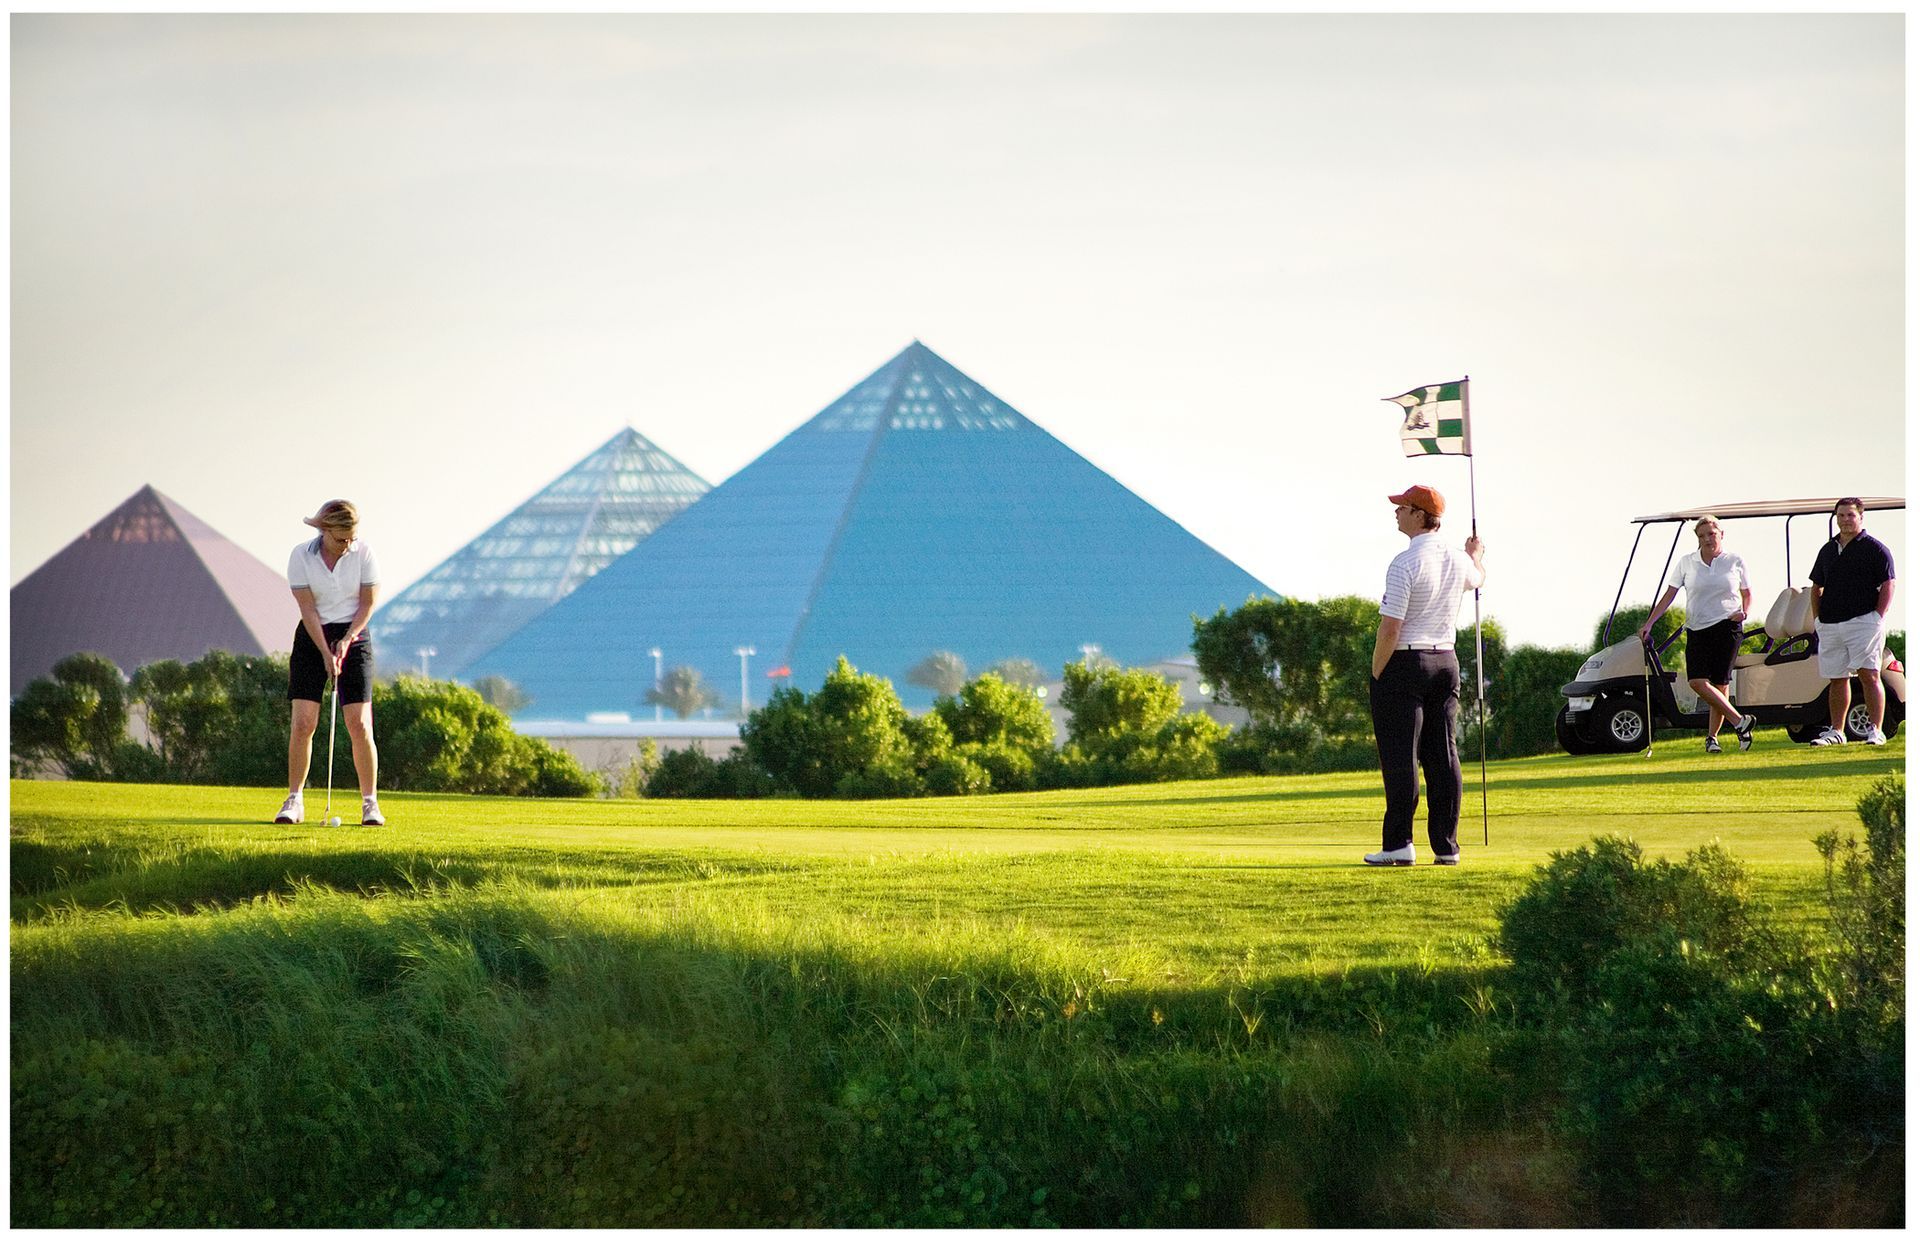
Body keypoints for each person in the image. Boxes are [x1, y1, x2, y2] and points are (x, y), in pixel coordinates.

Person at [1364, 485, 1486, 867]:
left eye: (1402, 507)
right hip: (1446, 662)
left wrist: (1377, 671)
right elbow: (1478, 578)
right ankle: (1446, 847)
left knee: (1402, 755)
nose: (1396, 512)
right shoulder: (1457, 559)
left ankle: (1399, 844)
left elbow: (1390, 629)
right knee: (1443, 753)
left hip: (1406, 663)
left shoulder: (1404, 563)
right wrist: (1475, 555)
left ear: (1419, 515)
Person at [273, 500, 385, 825]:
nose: (347, 544)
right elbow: (307, 610)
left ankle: (370, 804)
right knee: (303, 722)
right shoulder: (301, 557)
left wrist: (347, 641)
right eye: (340, 539)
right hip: (312, 636)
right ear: (324, 530)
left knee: (359, 724)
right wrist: (325, 651)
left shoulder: (364, 554)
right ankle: (294, 800)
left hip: (355, 634)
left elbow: (367, 604)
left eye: (351, 538)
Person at [1639, 515, 1756, 754]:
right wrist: (1650, 622)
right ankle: (1739, 721)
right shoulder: (1687, 562)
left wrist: (1744, 612)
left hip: (1727, 627)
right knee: (1697, 681)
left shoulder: (1735, 561)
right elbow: (1669, 594)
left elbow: (1747, 593)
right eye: (1701, 536)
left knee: (1720, 684)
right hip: (1697, 628)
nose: (1707, 539)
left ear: (1721, 534)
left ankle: (1713, 738)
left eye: (1711, 534)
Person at [1807, 497, 1896, 746]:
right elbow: (1817, 587)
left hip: (1864, 622)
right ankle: (1837, 731)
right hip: (1830, 624)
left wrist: (1879, 616)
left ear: (1860, 517)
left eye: (1850, 515)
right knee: (1837, 678)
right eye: (1841, 515)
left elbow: (1889, 583)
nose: (1846, 520)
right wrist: (1818, 620)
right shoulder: (1827, 549)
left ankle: (1875, 730)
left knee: (1869, 675)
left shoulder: (1875, 548)